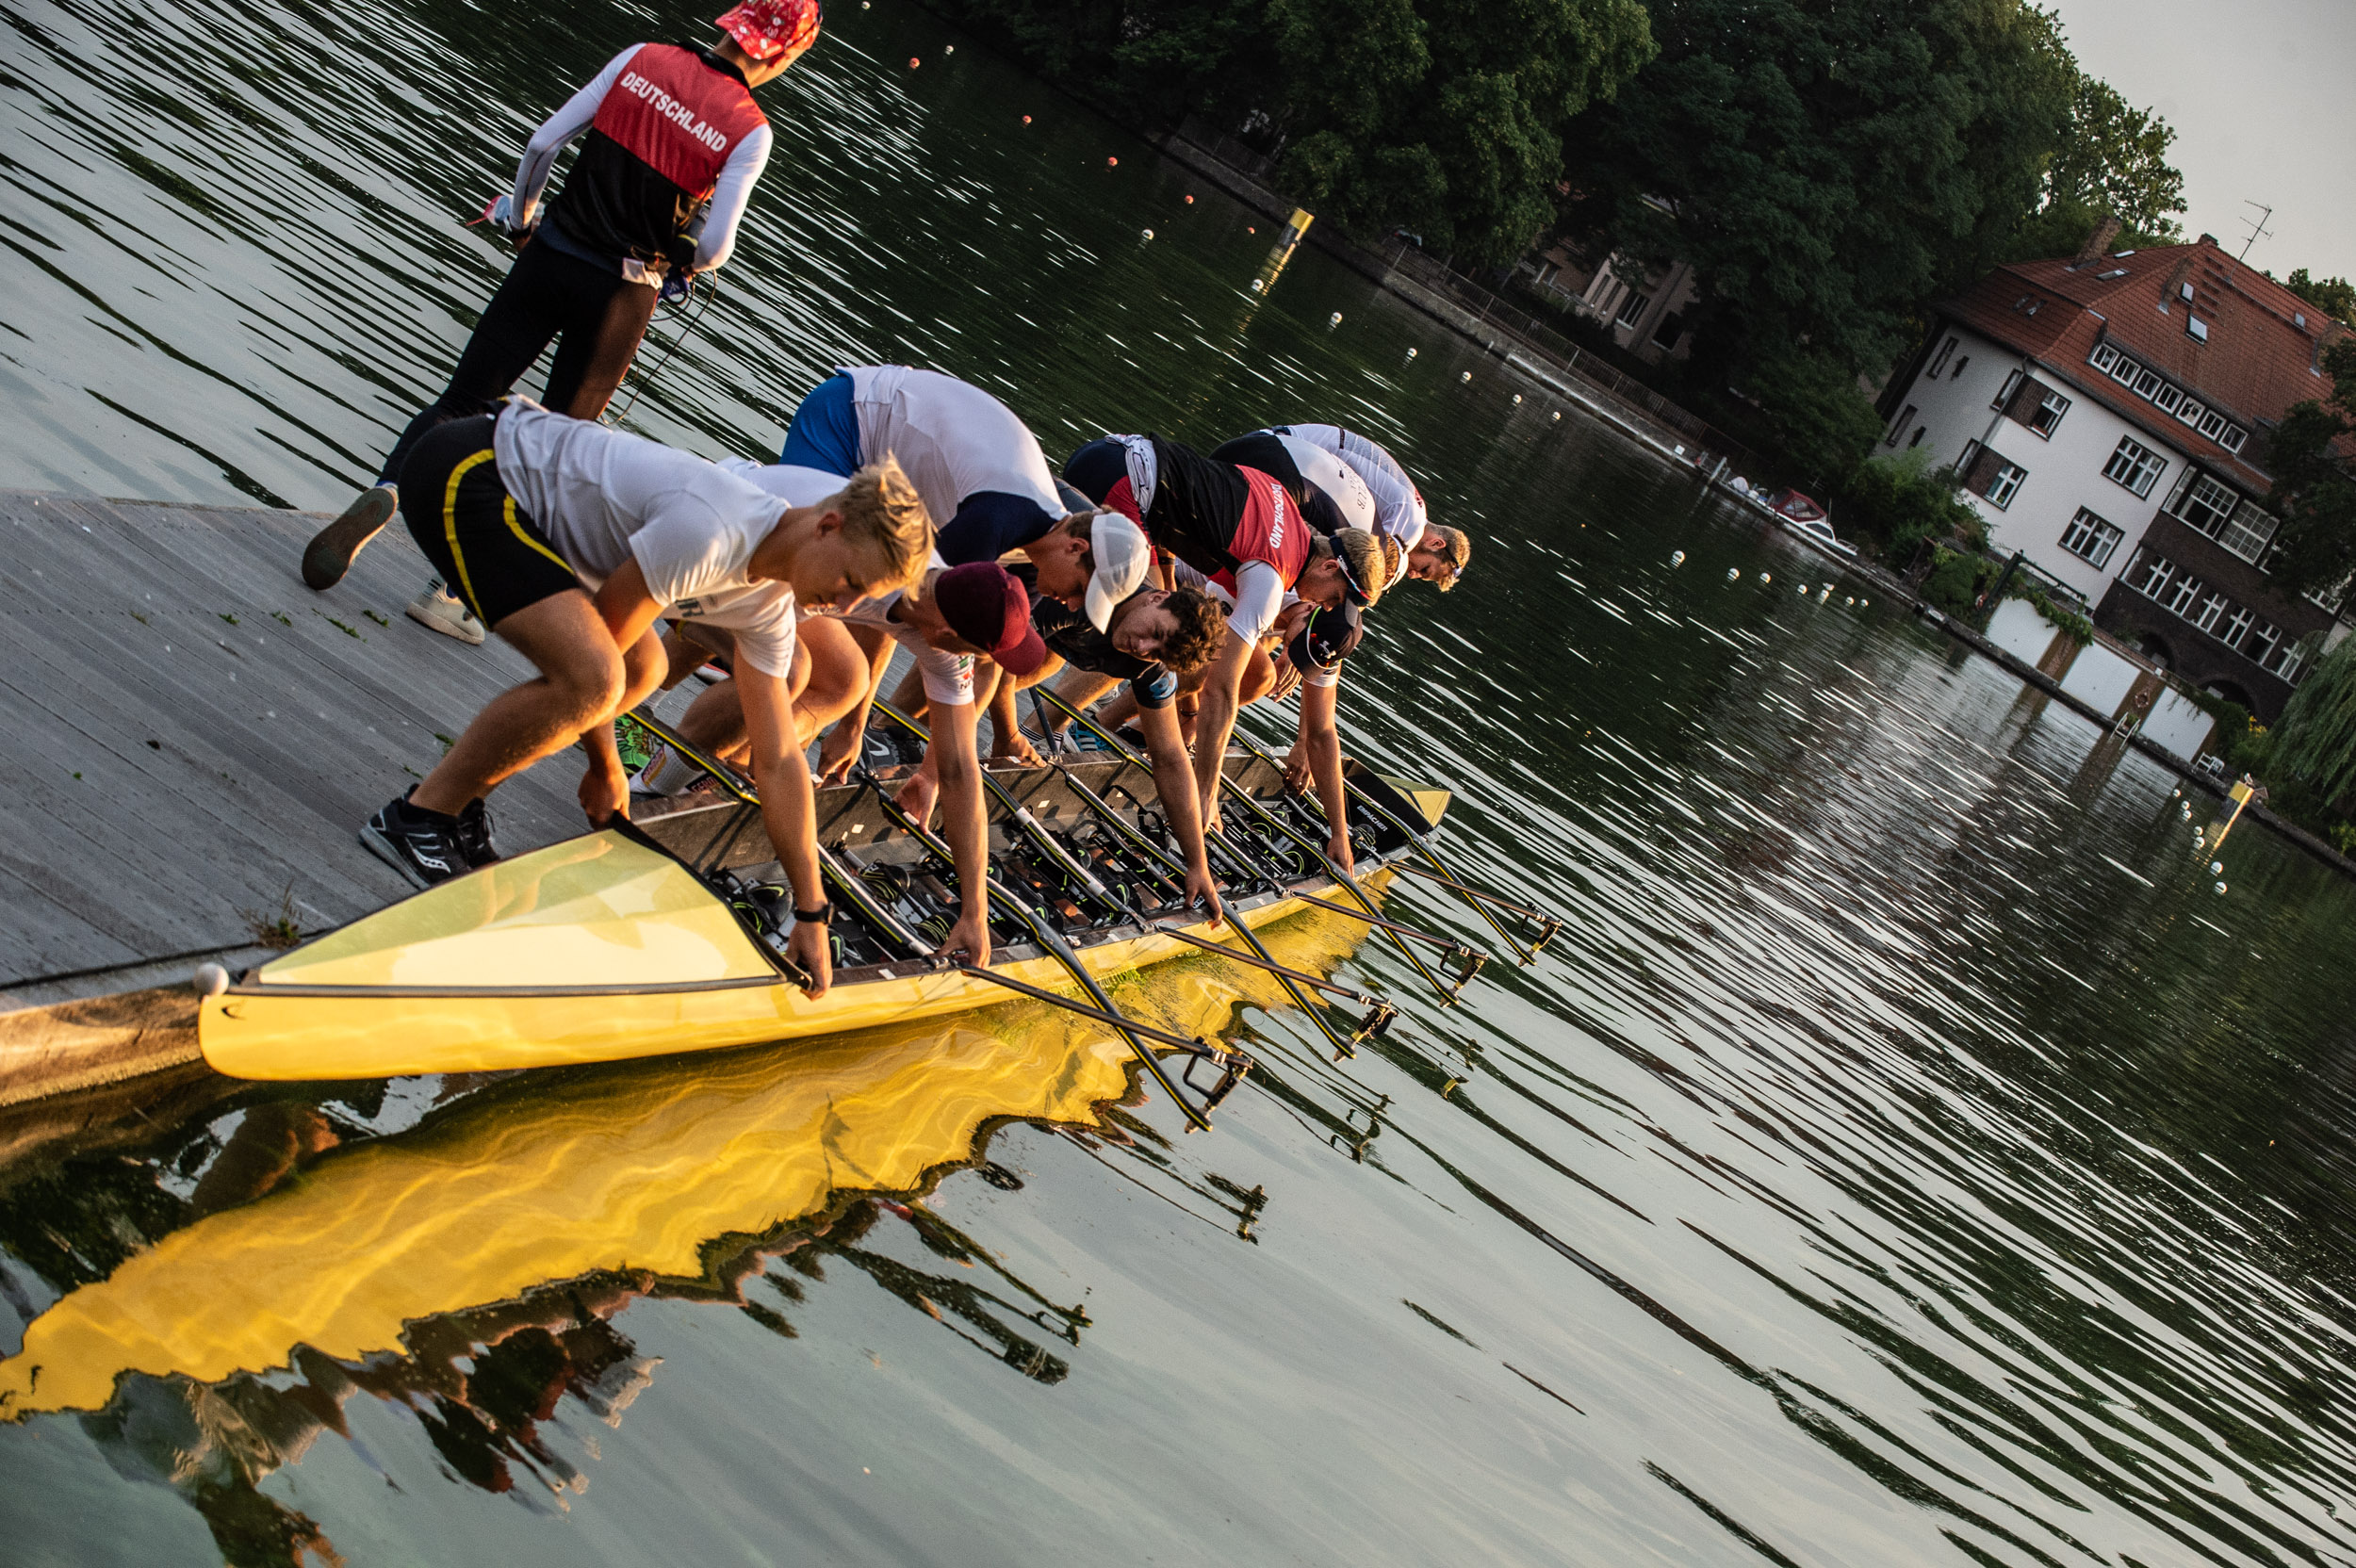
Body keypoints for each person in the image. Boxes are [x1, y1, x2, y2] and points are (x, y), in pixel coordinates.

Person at [357, 399, 932, 999]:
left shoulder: (769, 605)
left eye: (861, 598)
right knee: (595, 678)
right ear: (828, 525)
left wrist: (813, 912)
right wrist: (607, 769)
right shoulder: (714, 531)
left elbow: (780, 760)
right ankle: (417, 817)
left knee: (646, 667)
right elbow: (599, 657)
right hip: (473, 471)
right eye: (850, 583)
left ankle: (462, 805)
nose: (843, 608)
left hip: (540, 525)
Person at [301, 0, 821, 643]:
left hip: (550, 255)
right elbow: (716, 248)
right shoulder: (749, 130)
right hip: (622, 293)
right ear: (785, 54)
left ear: (731, 21)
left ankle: (388, 488)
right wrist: (685, 257)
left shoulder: (643, 56)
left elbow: (543, 141)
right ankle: (455, 594)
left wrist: (522, 219)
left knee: (465, 395)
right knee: (556, 444)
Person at [1063, 434, 1390, 845]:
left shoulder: (1288, 511)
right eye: (1334, 598)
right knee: (1136, 630)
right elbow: (1223, 690)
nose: (1325, 606)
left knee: (1134, 625)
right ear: (1328, 567)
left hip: (1112, 455)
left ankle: (1068, 729)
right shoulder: (1271, 579)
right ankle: (1053, 732)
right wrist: (1206, 792)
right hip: (1123, 485)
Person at [809, 559, 1050, 968]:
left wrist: (974, 912)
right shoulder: (870, 572)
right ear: (948, 634)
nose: (979, 664)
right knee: (809, 680)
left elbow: (960, 769)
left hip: (799, 602)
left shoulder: (943, 612)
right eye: (981, 654)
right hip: (734, 568)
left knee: (836, 686)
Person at [1240, 423, 1475, 590]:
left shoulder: (1414, 508)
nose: (1411, 575)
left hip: (1276, 445)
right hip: (1280, 454)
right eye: (1424, 570)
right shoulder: (1411, 526)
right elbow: (1369, 565)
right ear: (1436, 543)